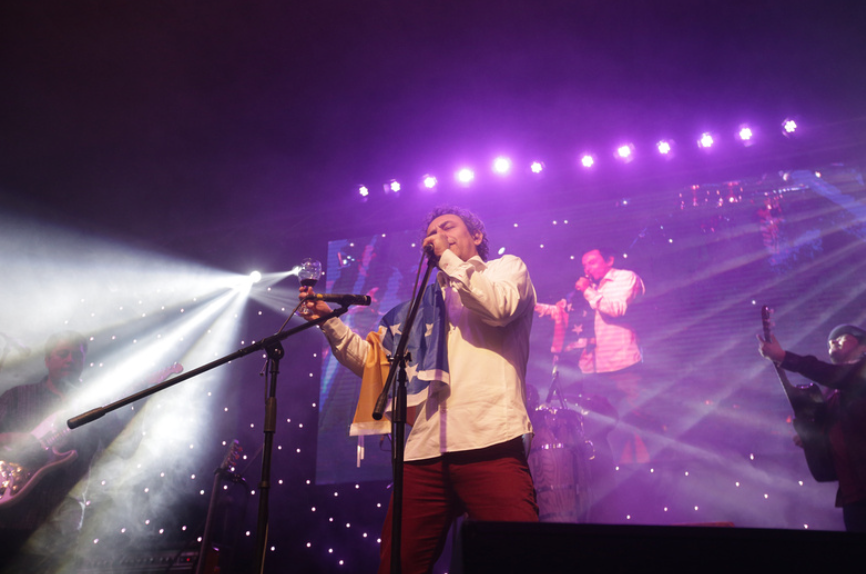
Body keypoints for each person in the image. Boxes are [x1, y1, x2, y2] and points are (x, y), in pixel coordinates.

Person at [300, 206, 538, 574]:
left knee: (520, 558)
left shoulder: (506, 269)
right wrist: (328, 322)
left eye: (448, 227)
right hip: (425, 452)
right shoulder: (421, 308)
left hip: (490, 439)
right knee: (398, 565)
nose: (436, 236)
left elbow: (499, 308)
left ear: (476, 236)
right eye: (431, 233)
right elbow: (376, 365)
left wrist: (449, 261)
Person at [0, 331, 104, 572]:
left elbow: (123, 448)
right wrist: (17, 439)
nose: (70, 360)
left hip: (60, 527)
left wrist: (137, 406)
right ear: (48, 360)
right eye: (63, 354)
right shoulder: (18, 396)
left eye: (76, 356)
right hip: (10, 518)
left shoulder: (93, 404)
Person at [758, 323, 866, 532]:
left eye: (842, 337)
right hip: (853, 495)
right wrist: (815, 438)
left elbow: (838, 376)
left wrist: (784, 357)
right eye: (830, 341)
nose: (833, 341)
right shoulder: (834, 395)